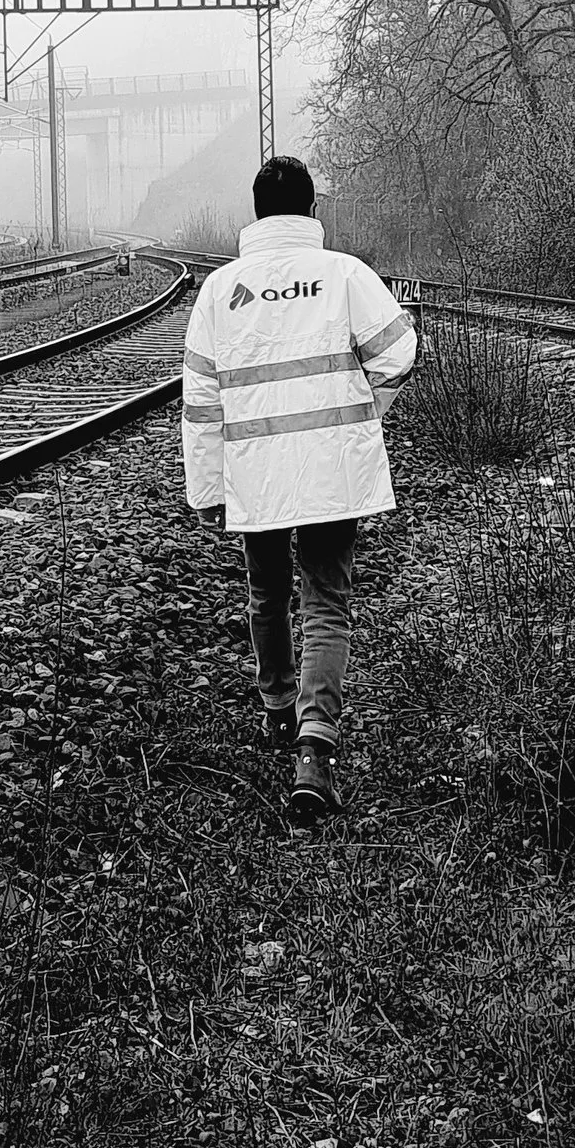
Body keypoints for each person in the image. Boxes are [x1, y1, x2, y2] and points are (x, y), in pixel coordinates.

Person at [181, 156, 416, 818]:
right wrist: (364, 416)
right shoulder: (344, 274)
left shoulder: (219, 289)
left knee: (267, 592)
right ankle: (315, 751)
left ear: (256, 214)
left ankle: (279, 712)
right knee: (325, 603)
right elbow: (399, 350)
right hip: (330, 469)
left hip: (256, 472)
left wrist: (208, 486)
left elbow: (199, 400)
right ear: (312, 212)